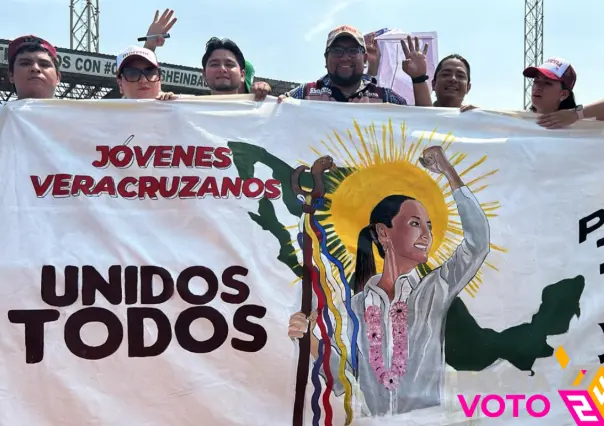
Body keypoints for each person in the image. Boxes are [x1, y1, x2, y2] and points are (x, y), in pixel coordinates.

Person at [288, 146, 490, 417]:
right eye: (416, 224)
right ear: (383, 232)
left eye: (429, 226)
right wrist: (308, 339)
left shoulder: (434, 290)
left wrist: (449, 172)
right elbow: (342, 378)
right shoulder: (354, 306)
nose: (427, 235)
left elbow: (477, 245)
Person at [279, 25, 432, 105]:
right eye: (337, 50)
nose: (345, 57)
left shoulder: (386, 98)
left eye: (353, 50)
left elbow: (422, 126)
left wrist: (418, 79)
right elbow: (271, 111)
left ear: (365, 58)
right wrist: (259, 95)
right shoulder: (304, 94)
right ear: (326, 58)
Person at [201, 37, 270, 100]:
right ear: (204, 74)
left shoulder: (267, 109)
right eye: (214, 64)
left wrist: (278, 105)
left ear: (242, 74)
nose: (222, 69)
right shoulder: (191, 108)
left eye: (229, 64)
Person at [7, 35, 61, 102]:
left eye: (44, 65)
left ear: (58, 77)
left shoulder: (76, 111)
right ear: (11, 75)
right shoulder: (3, 111)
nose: (35, 68)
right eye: (25, 63)